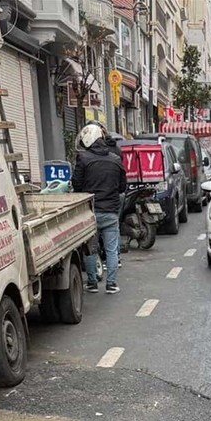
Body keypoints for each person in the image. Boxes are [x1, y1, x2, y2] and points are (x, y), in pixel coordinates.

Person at [72, 122, 125, 294]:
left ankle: (92, 283)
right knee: (111, 250)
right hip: (111, 212)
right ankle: (111, 284)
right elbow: (122, 187)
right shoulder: (116, 159)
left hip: (91, 212)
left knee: (91, 250)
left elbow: (76, 184)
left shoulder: (83, 158)